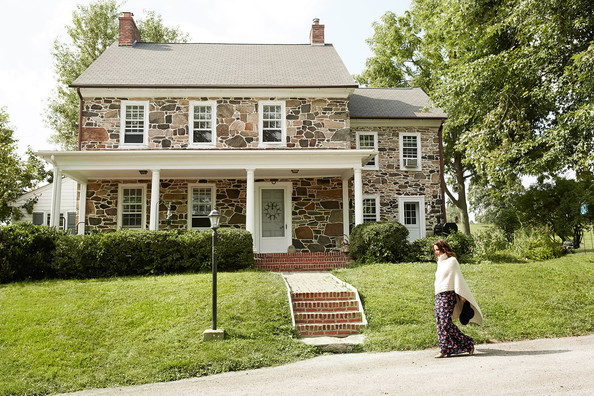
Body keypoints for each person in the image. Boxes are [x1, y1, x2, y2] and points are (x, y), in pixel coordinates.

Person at [433, 240, 483, 358]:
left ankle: (468, 343)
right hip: (438, 295)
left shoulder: (452, 261)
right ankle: (445, 348)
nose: (436, 252)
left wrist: (462, 295)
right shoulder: (440, 263)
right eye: (434, 250)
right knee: (440, 323)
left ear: (444, 248)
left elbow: (457, 278)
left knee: (445, 323)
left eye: (438, 249)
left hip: (448, 295)